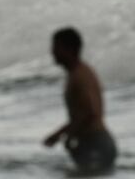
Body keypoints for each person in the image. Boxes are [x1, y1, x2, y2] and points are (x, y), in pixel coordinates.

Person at [44, 27, 117, 173]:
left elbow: (90, 112)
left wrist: (66, 135)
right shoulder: (78, 73)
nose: (52, 52)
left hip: (96, 144)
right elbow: (84, 113)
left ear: (69, 49)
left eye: (56, 47)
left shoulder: (80, 76)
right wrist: (60, 134)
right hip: (93, 143)